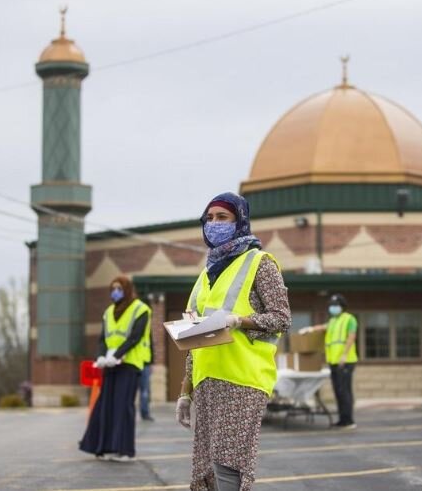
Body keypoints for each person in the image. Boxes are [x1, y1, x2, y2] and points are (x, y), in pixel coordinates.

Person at [175, 192, 291, 491]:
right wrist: (185, 393)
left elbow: (281, 317)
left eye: (222, 217)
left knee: (230, 465)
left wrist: (241, 320)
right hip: (207, 381)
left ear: (240, 221)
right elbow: (194, 337)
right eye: (209, 218)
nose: (214, 224)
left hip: (242, 379)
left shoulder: (259, 263)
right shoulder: (205, 275)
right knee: (207, 469)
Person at [79, 275, 152, 462]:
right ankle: (104, 447)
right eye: (112, 289)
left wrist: (116, 356)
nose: (115, 292)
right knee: (106, 406)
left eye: (119, 288)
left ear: (127, 289)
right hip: (110, 365)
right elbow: (103, 338)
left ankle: (125, 450)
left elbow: (135, 337)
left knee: (123, 406)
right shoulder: (108, 312)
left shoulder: (141, 309)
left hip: (129, 364)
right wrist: (102, 356)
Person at [302, 293, 358, 429]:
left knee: (344, 391)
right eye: (331, 306)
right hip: (333, 361)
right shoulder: (333, 321)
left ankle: (349, 420)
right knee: (338, 391)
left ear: (342, 306)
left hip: (345, 361)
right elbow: (323, 327)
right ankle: (342, 420)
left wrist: (344, 355)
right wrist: (310, 329)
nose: (333, 308)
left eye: (336, 305)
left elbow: (351, 337)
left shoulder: (349, 319)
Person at [139, 324, 155, 422]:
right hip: (133, 363)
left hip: (145, 364)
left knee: (145, 391)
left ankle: (145, 413)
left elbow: (151, 346)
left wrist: (151, 363)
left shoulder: (147, 329)